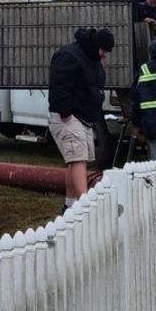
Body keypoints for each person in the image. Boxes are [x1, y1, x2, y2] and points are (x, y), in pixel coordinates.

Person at [48, 26, 114, 210]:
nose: (104, 55)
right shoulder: (69, 56)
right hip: (69, 118)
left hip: (84, 118)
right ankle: (86, 206)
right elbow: (59, 86)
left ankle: (69, 206)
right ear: (97, 45)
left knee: (77, 160)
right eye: (103, 50)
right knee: (78, 159)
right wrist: (65, 113)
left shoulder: (92, 58)